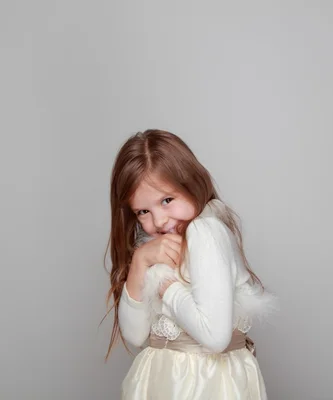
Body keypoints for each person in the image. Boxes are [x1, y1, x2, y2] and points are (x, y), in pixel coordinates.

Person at [104, 129, 278, 399]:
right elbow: (136, 335)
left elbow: (215, 337)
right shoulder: (157, 247)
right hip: (165, 381)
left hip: (201, 384)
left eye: (167, 200)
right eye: (143, 212)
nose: (159, 221)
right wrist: (140, 262)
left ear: (192, 183)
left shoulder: (204, 232)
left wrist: (169, 289)